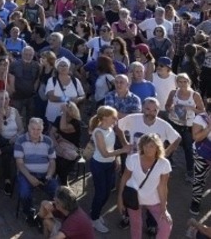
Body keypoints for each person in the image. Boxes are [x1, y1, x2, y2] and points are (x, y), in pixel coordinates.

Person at [117, 133, 173, 239]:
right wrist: (119, 197)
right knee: (136, 225)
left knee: (166, 225)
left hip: (153, 199)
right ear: (141, 146)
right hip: (133, 198)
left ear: (157, 147)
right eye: (145, 145)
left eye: (151, 146)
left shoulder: (164, 163)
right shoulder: (133, 159)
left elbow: (163, 187)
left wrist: (163, 208)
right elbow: (124, 178)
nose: (148, 149)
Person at [87, 106, 130, 234]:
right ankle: (94, 218)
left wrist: (116, 159)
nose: (116, 119)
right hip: (99, 165)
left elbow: (111, 148)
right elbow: (105, 153)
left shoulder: (111, 128)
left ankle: (96, 212)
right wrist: (123, 150)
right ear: (105, 117)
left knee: (106, 193)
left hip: (109, 165)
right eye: (113, 117)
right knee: (100, 193)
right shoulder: (98, 132)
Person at [14, 117, 60, 223]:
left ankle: (51, 213)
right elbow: (19, 163)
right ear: (28, 128)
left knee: (58, 192)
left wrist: (49, 174)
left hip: (45, 174)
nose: (35, 132)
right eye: (33, 129)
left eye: (38, 129)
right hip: (27, 173)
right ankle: (28, 212)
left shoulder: (48, 141)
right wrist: (30, 177)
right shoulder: (20, 141)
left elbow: (52, 161)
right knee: (24, 193)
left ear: (42, 129)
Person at [165, 72, 204, 182]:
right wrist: (171, 109)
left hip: (188, 126)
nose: (182, 84)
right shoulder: (173, 93)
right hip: (174, 123)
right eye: (180, 82)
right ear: (176, 83)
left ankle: (190, 172)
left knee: (188, 148)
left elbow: (202, 111)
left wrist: (191, 108)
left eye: (185, 81)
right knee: (170, 144)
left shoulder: (195, 95)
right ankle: (168, 164)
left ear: (189, 82)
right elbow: (167, 106)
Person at [0, 90, 24, 196]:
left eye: (6, 98)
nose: (4, 100)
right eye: (1, 98)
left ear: (9, 99)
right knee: (7, 151)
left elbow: (21, 129)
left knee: (8, 150)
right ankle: (8, 180)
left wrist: (15, 137)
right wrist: (0, 116)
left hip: (14, 141)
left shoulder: (14, 111)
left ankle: (8, 180)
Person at [49, 101, 82, 185]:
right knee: (53, 159)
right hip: (58, 147)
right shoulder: (58, 119)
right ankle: (55, 181)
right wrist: (56, 146)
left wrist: (63, 112)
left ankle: (63, 183)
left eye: (69, 109)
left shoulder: (76, 122)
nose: (67, 110)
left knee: (62, 163)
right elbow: (51, 133)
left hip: (72, 149)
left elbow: (63, 127)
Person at [190, 101, 211, 216]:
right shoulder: (201, 119)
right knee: (200, 178)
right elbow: (196, 137)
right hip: (202, 153)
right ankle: (195, 201)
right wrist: (209, 128)